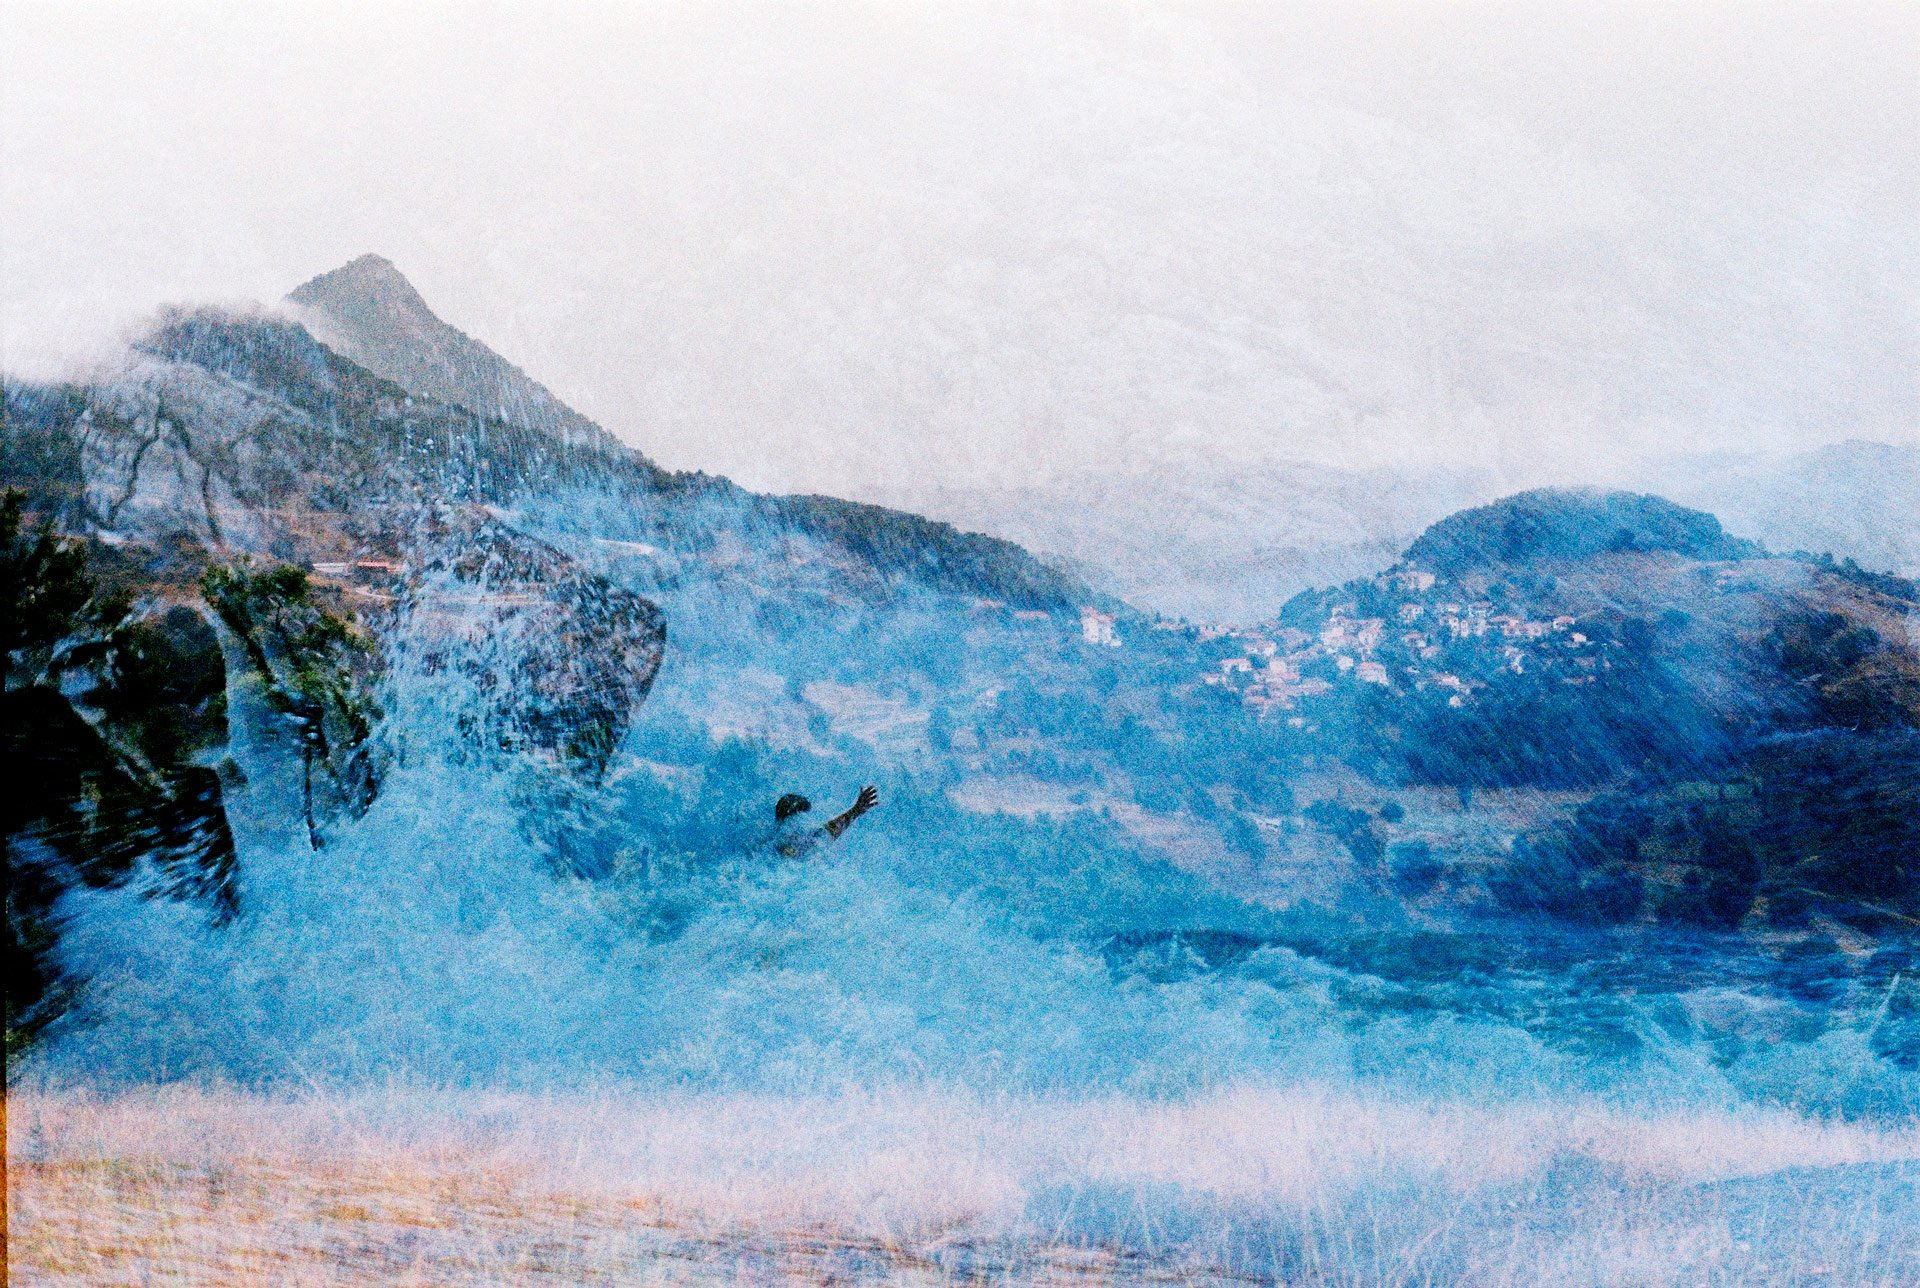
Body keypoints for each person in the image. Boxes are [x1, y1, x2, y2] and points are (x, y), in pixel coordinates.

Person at [768, 785, 879, 858]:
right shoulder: (787, 845)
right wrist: (855, 811)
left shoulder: (780, 836)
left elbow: (825, 831)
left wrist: (855, 810)